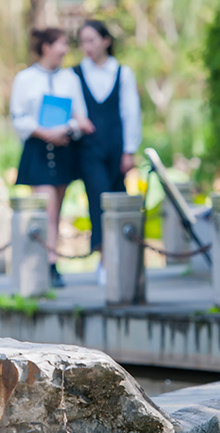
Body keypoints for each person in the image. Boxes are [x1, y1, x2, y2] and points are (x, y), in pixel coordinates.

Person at [10, 28, 93, 288]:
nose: (65, 49)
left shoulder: (70, 78)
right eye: (61, 44)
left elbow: (81, 116)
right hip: (38, 147)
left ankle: (52, 262)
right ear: (46, 47)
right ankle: (47, 264)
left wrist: (65, 130)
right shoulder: (25, 78)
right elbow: (18, 117)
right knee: (46, 207)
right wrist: (44, 132)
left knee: (57, 207)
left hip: (64, 146)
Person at [74, 20, 142, 285]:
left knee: (118, 197)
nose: (87, 47)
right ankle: (104, 258)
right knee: (97, 199)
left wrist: (130, 151)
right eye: (83, 41)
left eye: (92, 40)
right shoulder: (75, 73)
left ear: (106, 40)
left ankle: (119, 257)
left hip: (116, 147)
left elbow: (130, 112)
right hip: (89, 148)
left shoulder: (122, 72)